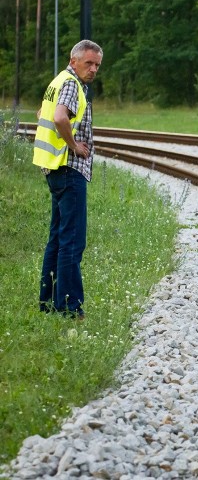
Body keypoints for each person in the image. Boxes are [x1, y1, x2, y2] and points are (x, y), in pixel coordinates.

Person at [33, 39, 104, 320]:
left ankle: (47, 302)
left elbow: (42, 114)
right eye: (89, 63)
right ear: (73, 60)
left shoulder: (58, 80)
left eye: (97, 64)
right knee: (72, 242)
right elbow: (60, 117)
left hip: (53, 169)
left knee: (57, 240)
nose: (94, 69)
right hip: (67, 168)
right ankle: (70, 308)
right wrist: (74, 145)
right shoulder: (72, 84)